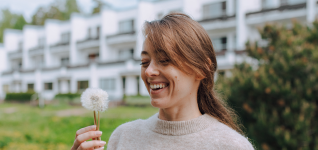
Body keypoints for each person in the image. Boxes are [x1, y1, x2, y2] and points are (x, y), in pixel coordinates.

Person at [71, 12, 254, 150]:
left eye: (165, 60)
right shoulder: (123, 137)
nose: (149, 71)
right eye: (144, 62)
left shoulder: (231, 146)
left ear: (202, 69)